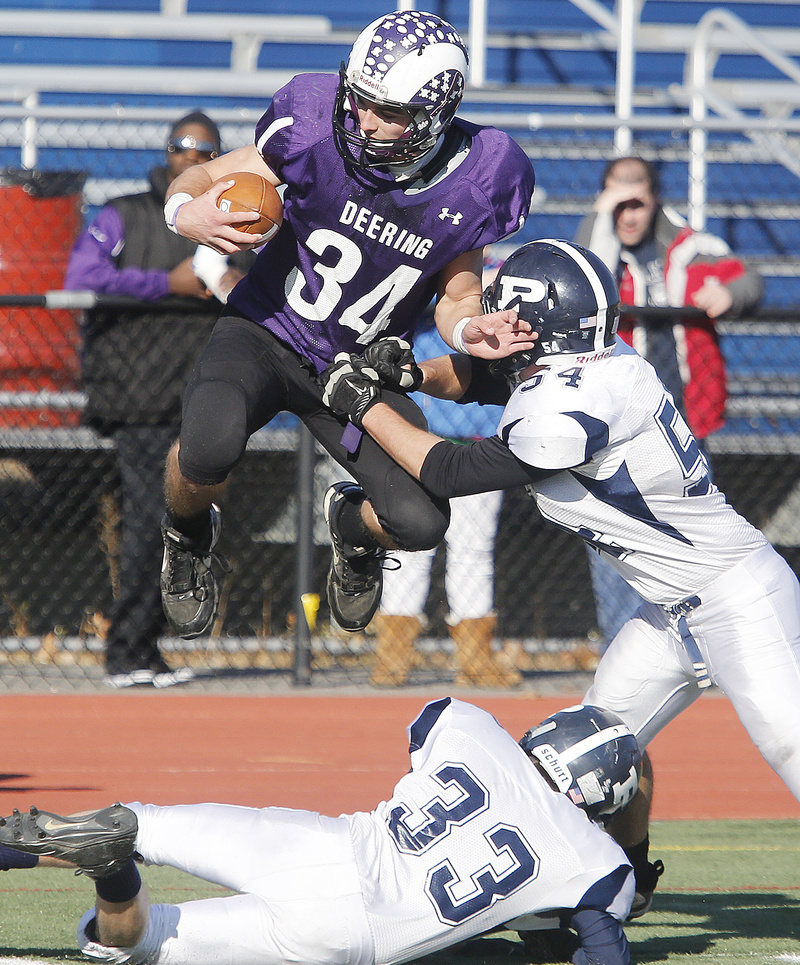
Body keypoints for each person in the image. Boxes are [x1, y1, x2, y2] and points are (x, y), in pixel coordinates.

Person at [318, 237, 800, 919]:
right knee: (595, 753)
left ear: (538, 320)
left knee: (792, 743)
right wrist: (408, 378)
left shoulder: (570, 406)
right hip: (671, 616)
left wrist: (364, 406)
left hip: (738, 597)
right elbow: (486, 379)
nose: (496, 324)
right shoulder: (594, 367)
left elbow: (449, 472)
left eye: (508, 312)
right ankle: (631, 878)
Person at [156, 10, 536, 644]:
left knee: (420, 522)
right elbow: (206, 176)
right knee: (207, 446)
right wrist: (182, 209)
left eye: (385, 111)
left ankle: (355, 534)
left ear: (433, 114)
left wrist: (469, 330)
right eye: (357, 100)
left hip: (353, 372)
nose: (362, 121)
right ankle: (186, 536)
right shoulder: (313, 123)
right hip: (265, 330)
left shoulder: (482, 176)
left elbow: (457, 291)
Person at [0, 699, 641, 965]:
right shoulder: (595, 860)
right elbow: (605, 958)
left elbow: (424, 731)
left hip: (325, 845)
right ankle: (115, 880)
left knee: (142, 823)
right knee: (141, 941)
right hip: (351, 935)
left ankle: (100, 850)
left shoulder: (472, 726)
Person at [64, 111, 250, 689]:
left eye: (205, 151)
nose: (192, 159)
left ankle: (142, 649)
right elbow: (81, 277)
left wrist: (225, 283)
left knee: (175, 521)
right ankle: (129, 652)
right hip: (136, 392)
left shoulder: (239, 216)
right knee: (151, 521)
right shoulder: (126, 212)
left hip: (197, 395)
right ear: (166, 151)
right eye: (182, 147)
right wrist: (163, 285)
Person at [574, 155, 763, 647]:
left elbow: (746, 278)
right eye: (619, 203)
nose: (629, 216)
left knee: (697, 535)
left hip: (685, 417)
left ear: (655, 199)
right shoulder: (597, 251)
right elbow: (585, 272)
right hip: (615, 423)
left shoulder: (691, 248)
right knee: (614, 539)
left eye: (637, 202)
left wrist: (731, 292)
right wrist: (602, 217)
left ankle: (706, 640)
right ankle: (623, 642)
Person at [374, 326, 516, 688]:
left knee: (473, 547)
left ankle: (475, 659)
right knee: (409, 542)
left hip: (481, 434)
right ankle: (392, 657)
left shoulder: (504, 273)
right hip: (416, 429)